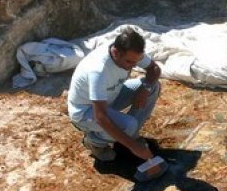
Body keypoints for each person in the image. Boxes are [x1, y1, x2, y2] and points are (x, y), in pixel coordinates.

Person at [67, 27, 161, 165]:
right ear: (116, 52)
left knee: (153, 86)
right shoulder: (98, 71)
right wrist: (133, 147)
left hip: (111, 95)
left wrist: (145, 89)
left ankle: (129, 135)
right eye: (129, 62)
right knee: (129, 125)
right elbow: (101, 117)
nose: (133, 66)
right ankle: (95, 142)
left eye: (137, 61)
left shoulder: (130, 52)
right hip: (86, 111)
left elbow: (155, 69)